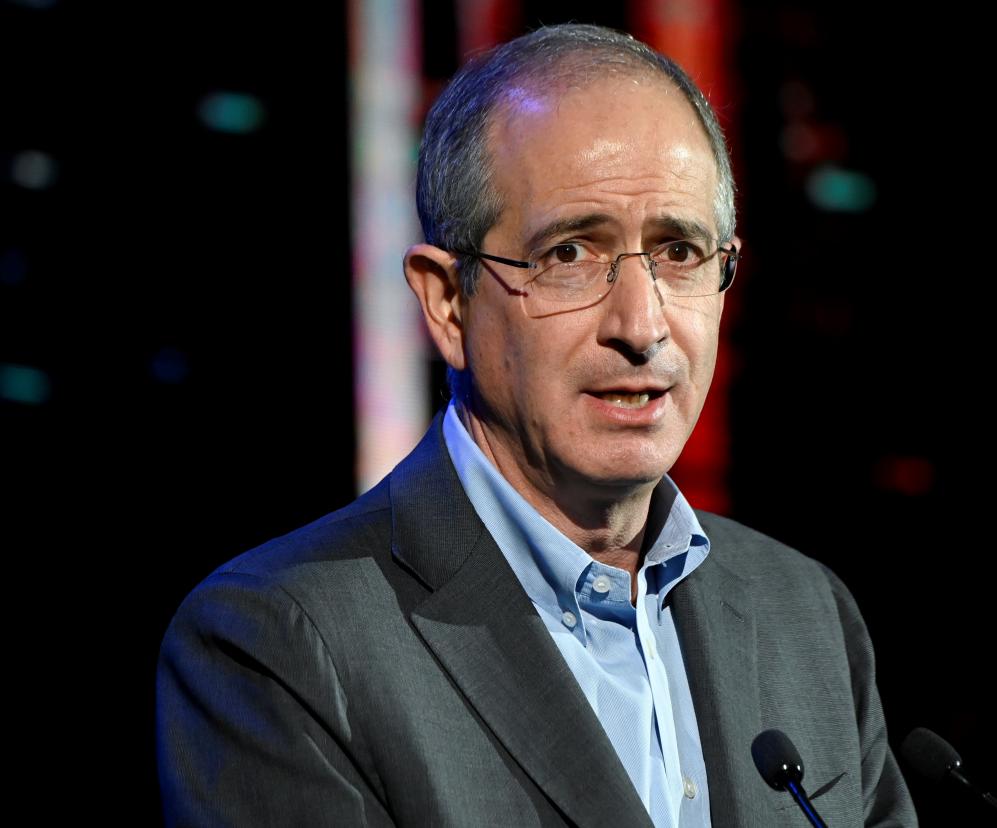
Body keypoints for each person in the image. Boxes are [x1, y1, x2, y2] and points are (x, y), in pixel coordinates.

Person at [156, 23, 916, 828]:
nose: (642, 323)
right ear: (448, 303)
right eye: (570, 255)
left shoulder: (807, 613)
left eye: (680, 252)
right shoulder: (279, 645)